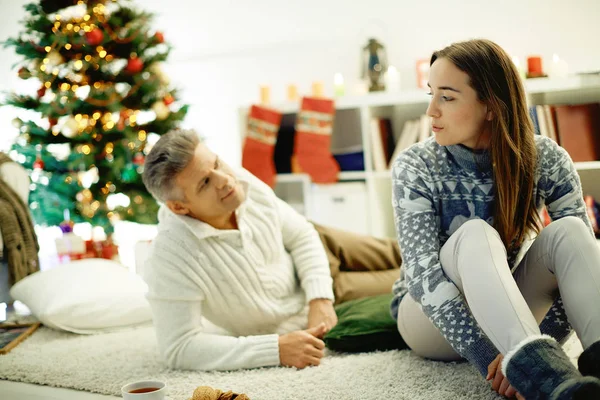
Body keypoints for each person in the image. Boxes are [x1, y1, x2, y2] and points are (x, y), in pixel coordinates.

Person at [390, 39, 600, 400]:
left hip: (504, 310)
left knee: (572, 232)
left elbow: (574, 273)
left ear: (490, 105)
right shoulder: (415, 165)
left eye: (447, 97)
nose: (431, 112)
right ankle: (541, 373)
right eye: (431, 94)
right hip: (426, 318)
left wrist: (536, 343)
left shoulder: (546, 158)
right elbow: (423, 278)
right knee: (474, 233)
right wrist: (497, 360)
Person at [140, 129, 402, 371]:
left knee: (408, 250)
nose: (225, 180)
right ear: (179, 207)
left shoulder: (238, 181)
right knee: (415, 279)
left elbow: (301, 234)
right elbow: (178, 348)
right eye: (205, 182)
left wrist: (319, 299)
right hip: (332, 293)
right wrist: (275, 349)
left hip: (317, 247)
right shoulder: (169, 257)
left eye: (217, 163)